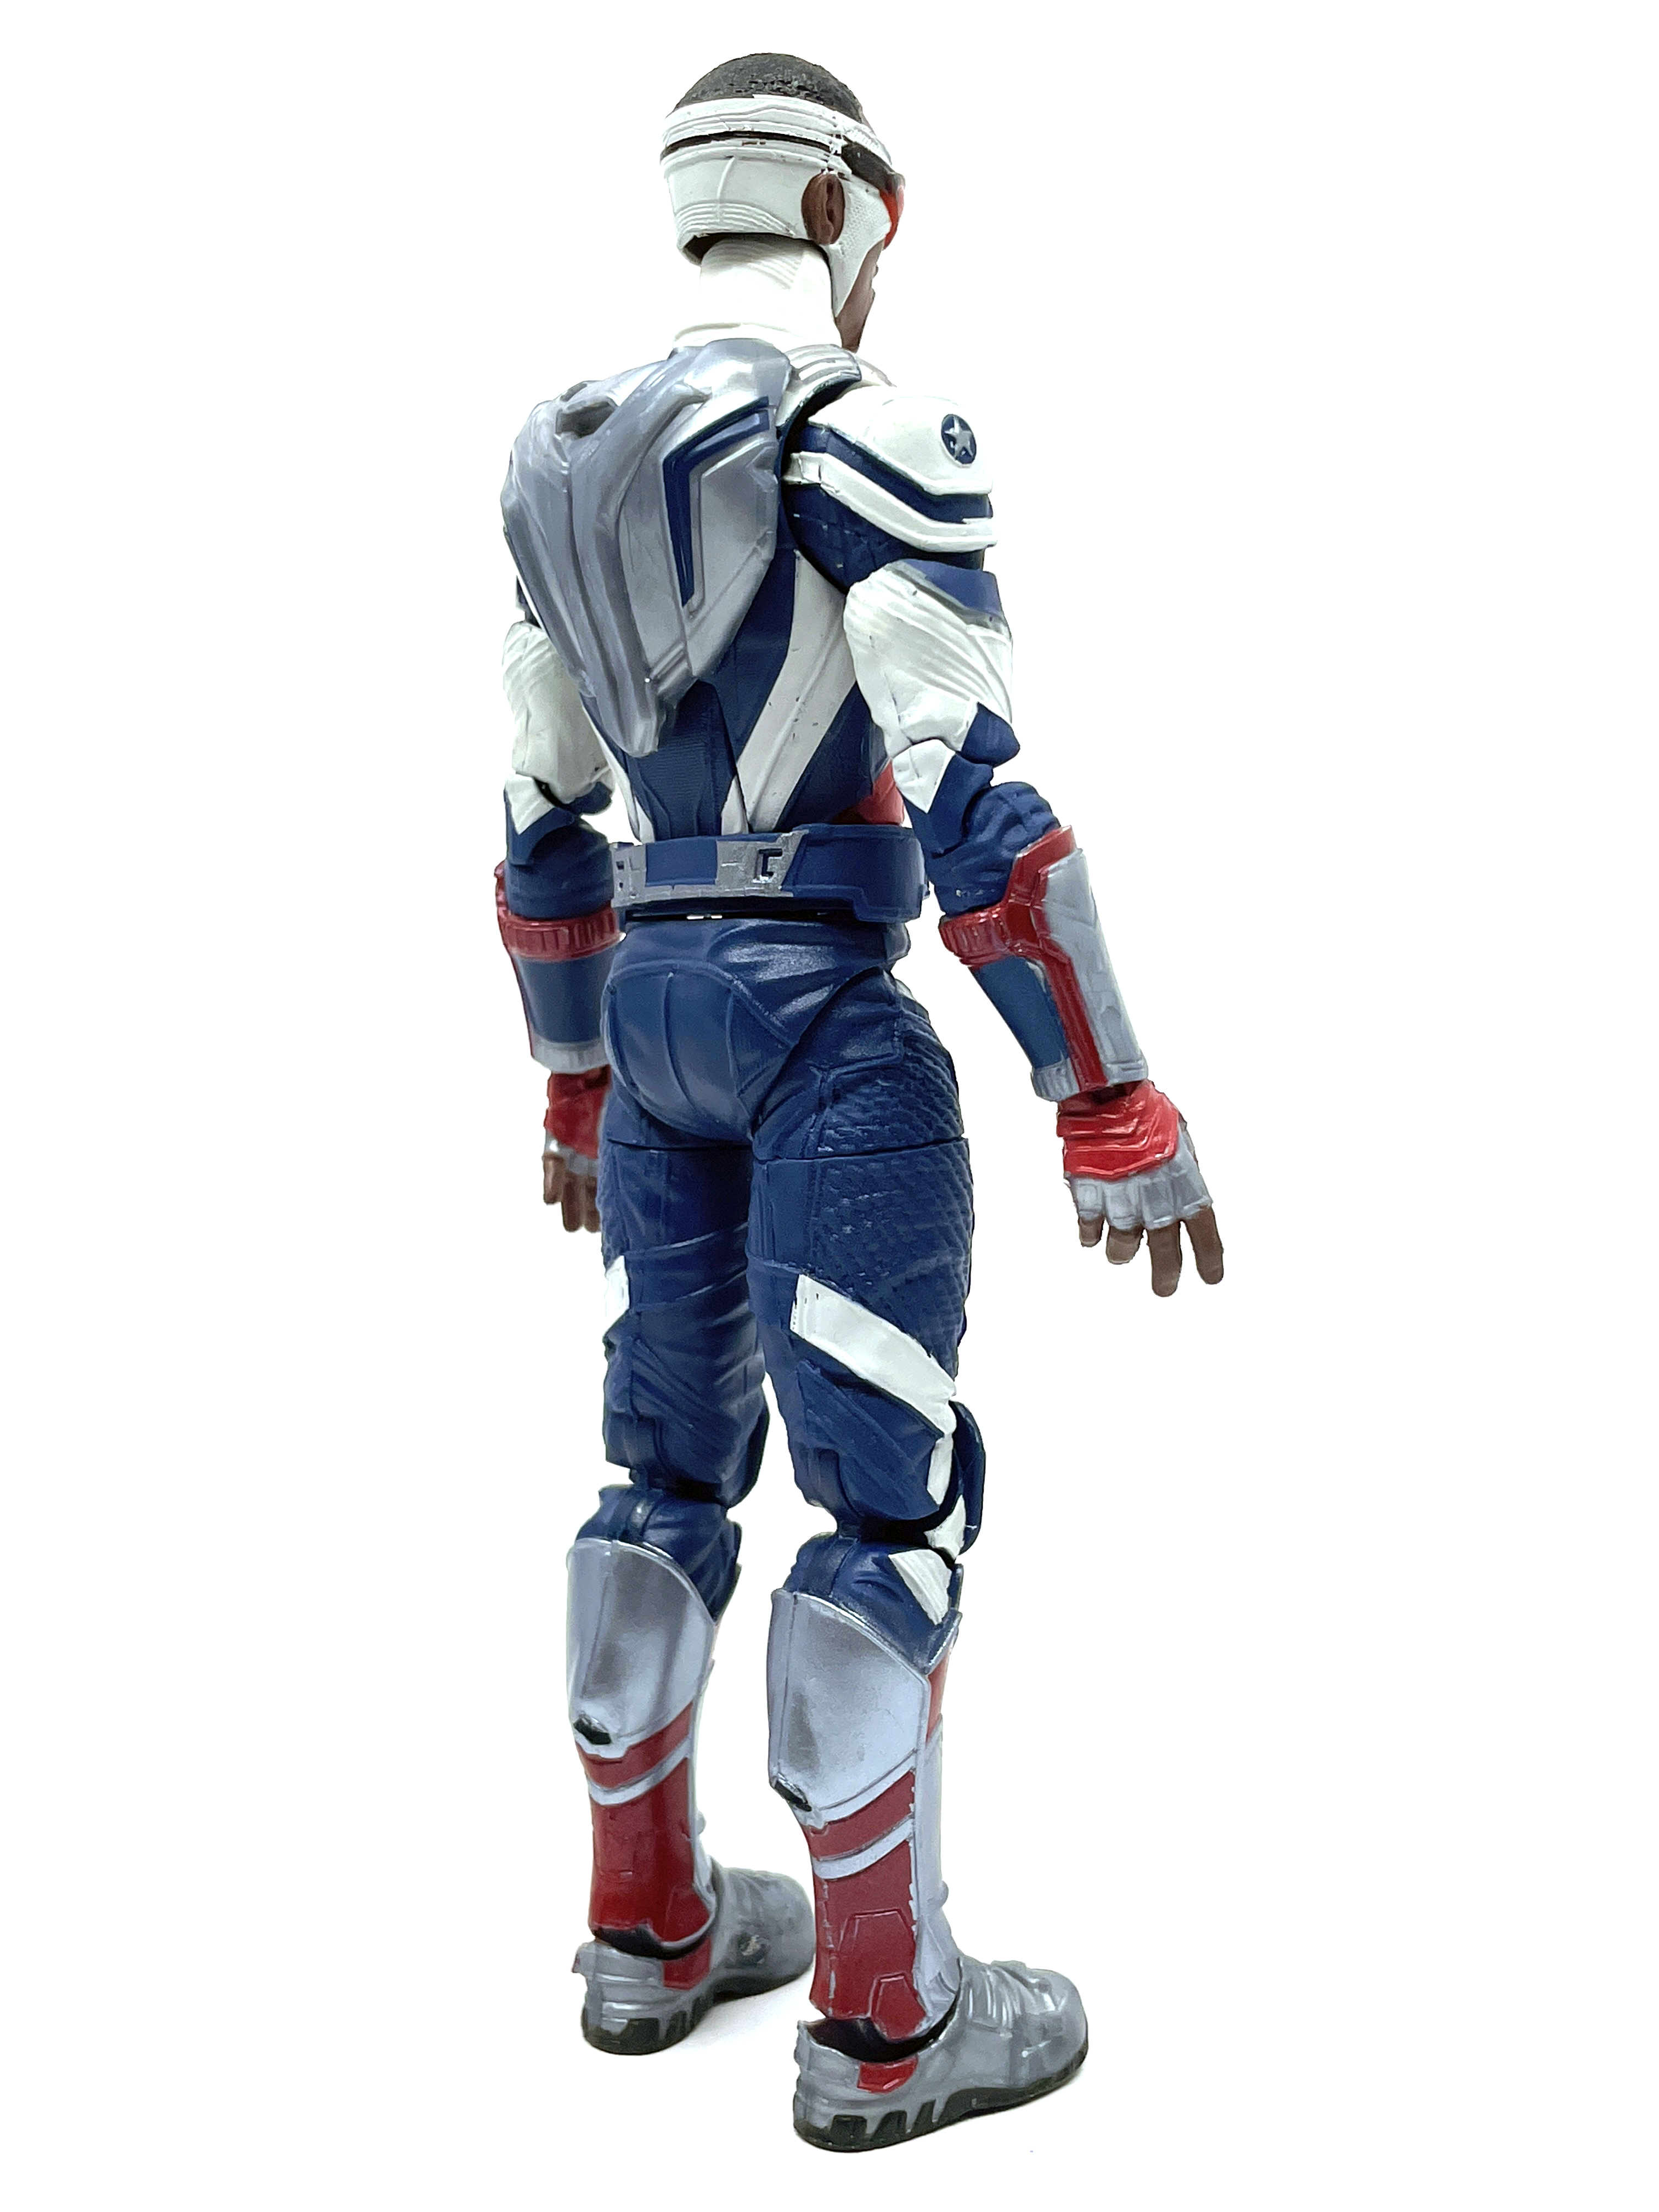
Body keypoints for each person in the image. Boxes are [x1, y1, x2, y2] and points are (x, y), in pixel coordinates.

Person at [494, 52, 1222, 2151]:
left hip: (653, 1020)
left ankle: (648, 1936)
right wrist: (1107, 1090)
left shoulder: (561, 459)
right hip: (822, 1020)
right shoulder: (863, 430)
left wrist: (573, 1080)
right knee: (886, 1512)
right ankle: (891, 2022)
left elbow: (538, 815)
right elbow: (975, 794)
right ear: (839, 211)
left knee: (659, 1474)